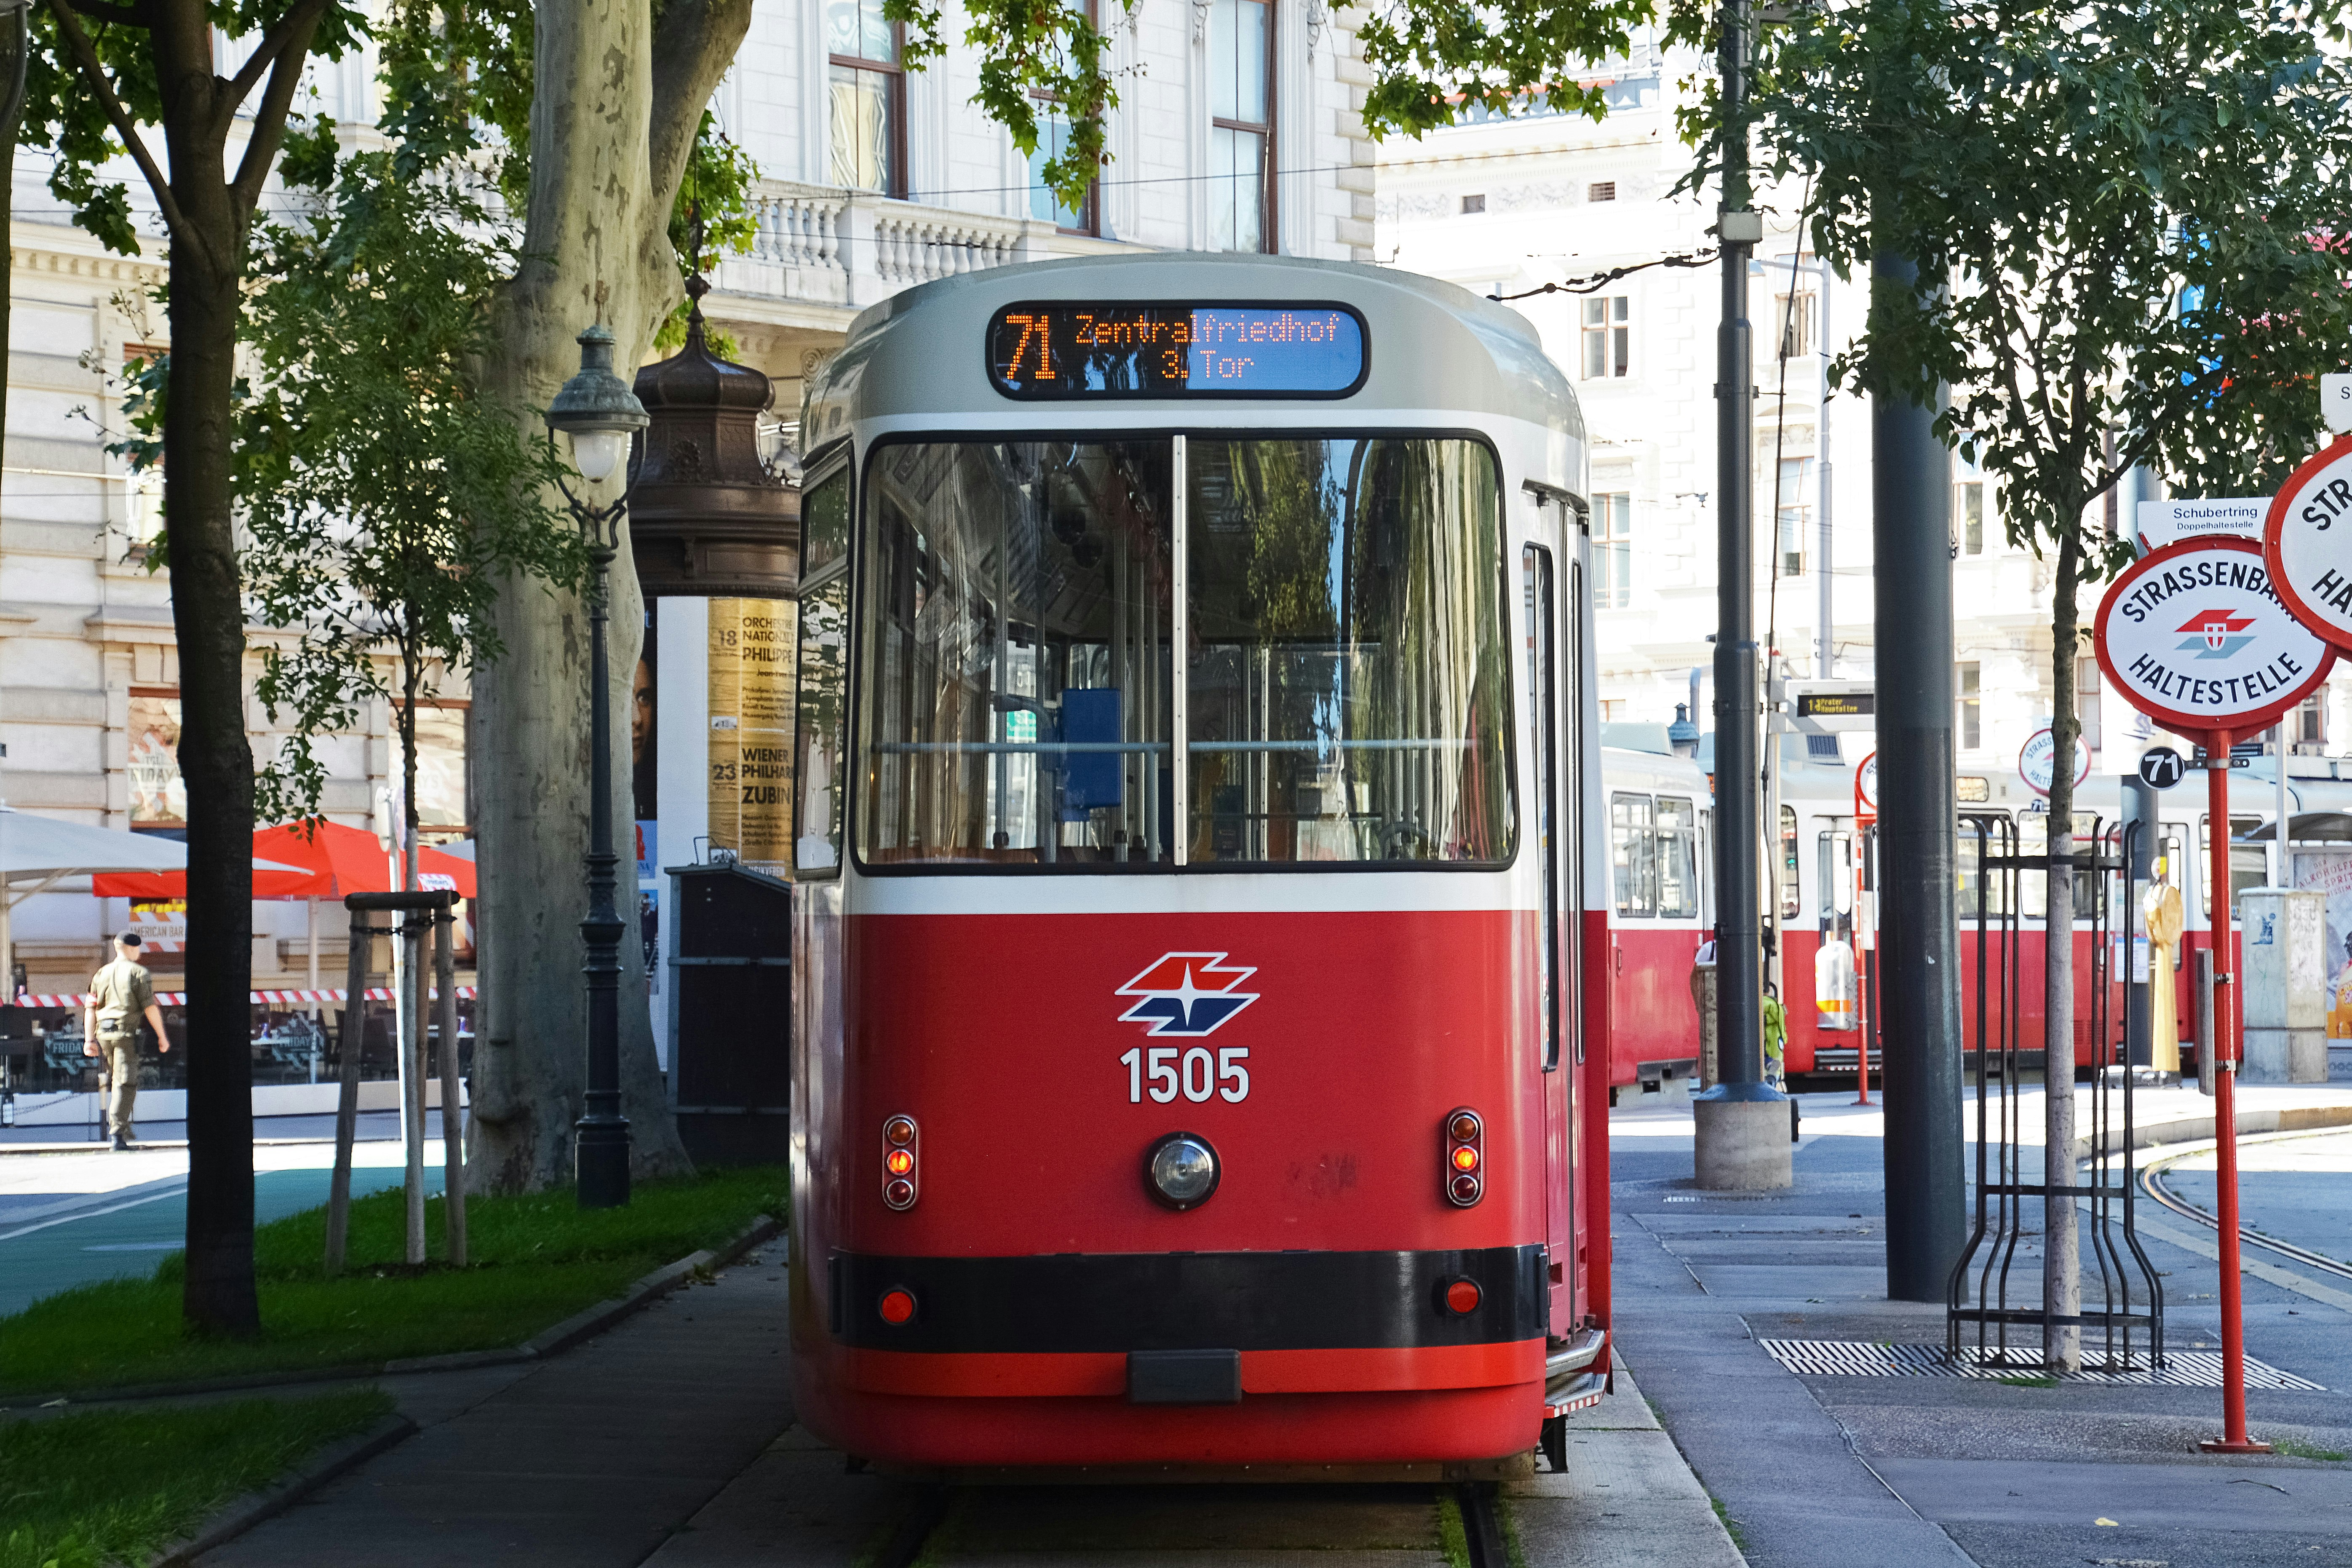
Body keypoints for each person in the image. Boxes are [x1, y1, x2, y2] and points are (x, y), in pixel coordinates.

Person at [83, 931, 170, 1150]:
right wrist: (162, 1036)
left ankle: (124, 1129)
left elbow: (90, 1008)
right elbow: (150, 1008)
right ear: (133, 948)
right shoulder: (138, 972)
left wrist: (89, 1039)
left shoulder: (101, 973)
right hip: (124, 1034)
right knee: (125, 1082)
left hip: (104, 1034)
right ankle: (118, 1133)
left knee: (117, 1079)